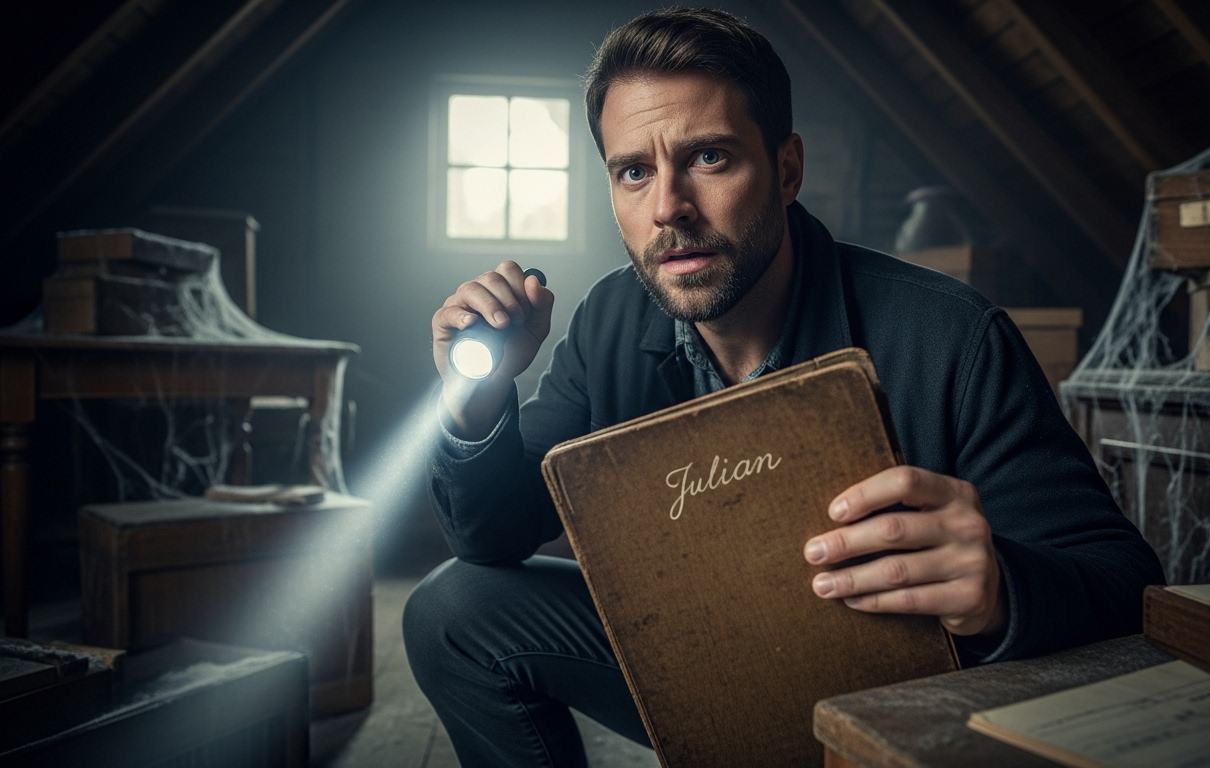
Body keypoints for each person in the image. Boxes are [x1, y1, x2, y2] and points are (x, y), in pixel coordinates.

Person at [404, 7, 1164, 767]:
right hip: (700, 659)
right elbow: (490, 537)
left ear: (787, 169)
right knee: (451, 610)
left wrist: (999, 589)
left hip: (893, 695)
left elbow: (1124, 585)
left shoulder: (953, 336)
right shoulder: (609, 316)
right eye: (634, 171)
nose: (667, 206)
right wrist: (477, 399)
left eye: (708, 158)